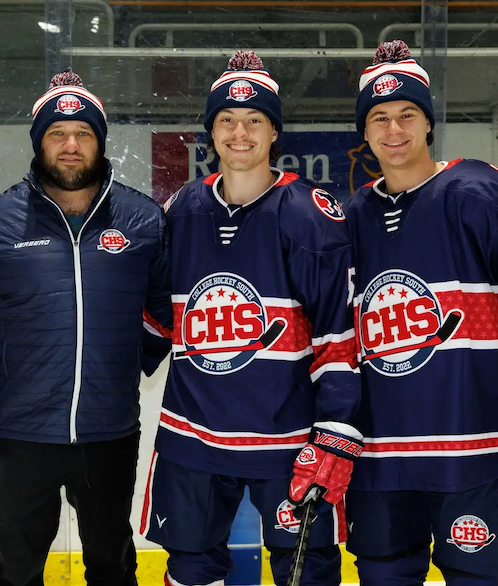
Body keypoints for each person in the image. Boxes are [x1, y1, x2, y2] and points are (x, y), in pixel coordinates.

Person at [344, 40, 498, 586]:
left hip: (477, 452)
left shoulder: (487, 193)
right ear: (363, 132)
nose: (394, 130)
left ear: (428, 122)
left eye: (407, 115)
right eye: (380, 118)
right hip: (377, 456)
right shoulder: (347, 218)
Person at [140, 50, 362, 586]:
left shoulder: (311, 214)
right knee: (189, 567)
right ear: (211, 133)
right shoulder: (182, 211)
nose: (240, 133)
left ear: (273, 132)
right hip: (193, 436)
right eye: (226, 121)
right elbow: (153, 321)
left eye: (254, 121)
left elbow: (338, 334)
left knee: (305, 570)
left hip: (287, 439)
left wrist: (334, 430)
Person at [0, 71, 172, 586]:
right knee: (15, 570)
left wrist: (121, 359)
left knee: (112, 564)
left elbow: (164, 312)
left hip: (109, 430)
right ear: (39, 142)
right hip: (19, 432)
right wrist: (23, 354)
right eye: (58, 133)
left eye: (84, 133)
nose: (71, 145)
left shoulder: (143, 220)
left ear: (101, 141)